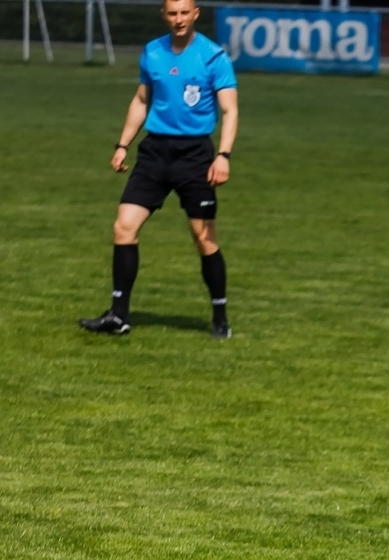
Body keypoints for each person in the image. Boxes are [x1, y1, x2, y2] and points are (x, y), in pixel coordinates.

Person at [79, 0, 238, 340]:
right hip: (154, 153)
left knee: (203, 238)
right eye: (172, 13)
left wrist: (223, 155)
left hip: (195, 156)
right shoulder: (152, 52)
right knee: (124, 226)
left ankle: (220, 317)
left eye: (185, 12)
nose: (178, 19)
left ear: (196, 13)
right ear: (163, 15)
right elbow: (141, 100)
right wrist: (123, 145)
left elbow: (230, 110)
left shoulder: (213, 57)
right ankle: (118, 315)